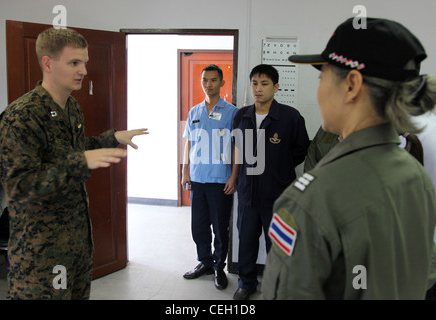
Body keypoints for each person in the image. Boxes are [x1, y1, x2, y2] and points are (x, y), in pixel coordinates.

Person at [261, 17, 436, 299]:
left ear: (352, 84)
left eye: (322, 78)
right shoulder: (417, 177)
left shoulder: (310, 200)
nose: (319, 92)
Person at [0, 27, 148, 300]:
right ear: (48, 63)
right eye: (74, 63)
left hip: (76, 246)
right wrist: (81, 162)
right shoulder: (21, 117)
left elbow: (74, 151)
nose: (83, 70)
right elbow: (19, 185)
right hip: (39, 258)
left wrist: (112, 138)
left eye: (84, 62)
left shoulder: (72, 107)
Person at [232, 64, 309, 300]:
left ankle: (276, 285)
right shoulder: (241, 115)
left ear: (276, 87)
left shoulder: (290, 117)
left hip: (278, 195)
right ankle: (246, 283)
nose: (258, 88)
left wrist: (279, 169)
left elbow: (301, 150)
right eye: (254, 83)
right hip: (247, 193)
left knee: (277, 245)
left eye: (264, 84)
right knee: (245, 242)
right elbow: (237, 148)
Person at [181, 64, 238, 290]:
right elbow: (188, 143)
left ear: (222, 83)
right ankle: (204, 262)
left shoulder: (232, 112)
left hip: (220, 180)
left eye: (213, 80)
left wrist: (233, 176)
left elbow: (237, 146)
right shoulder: (194, 112)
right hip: (198, 179)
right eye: (205, 80)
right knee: (199, 225)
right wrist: (184, 171)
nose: (208, 84)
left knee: (220, 226)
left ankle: (219, 267)